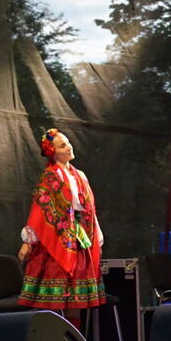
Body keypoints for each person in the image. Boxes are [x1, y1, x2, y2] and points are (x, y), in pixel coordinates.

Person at [17, 129, 105, 325]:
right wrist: (28, 241)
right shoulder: (50, 177)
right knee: (57, 296)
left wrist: (95, 231)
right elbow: (40, 208)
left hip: (79, 238)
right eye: (63, 145)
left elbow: (89, 206)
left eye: (68, 142)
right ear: (53, 152)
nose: (69, 147)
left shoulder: (79, 175)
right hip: (56, 238)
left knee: (76, 298)